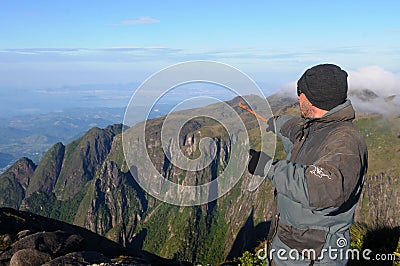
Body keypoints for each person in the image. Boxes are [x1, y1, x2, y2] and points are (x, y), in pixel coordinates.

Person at [248, 64, 368, 265]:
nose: (297, 98)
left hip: (314, 255)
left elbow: (324, 190)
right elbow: (293, 129)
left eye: (300, 92)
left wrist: (267, 167)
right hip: (294, 246)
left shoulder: (345, 141)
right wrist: (273, 122)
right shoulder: (318, 127)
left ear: (314, 98)